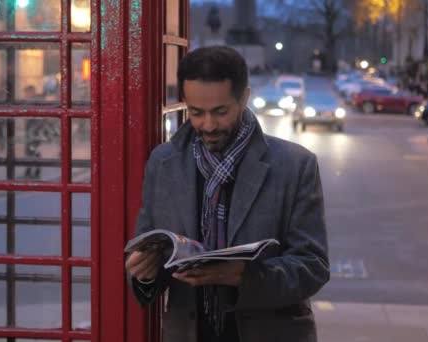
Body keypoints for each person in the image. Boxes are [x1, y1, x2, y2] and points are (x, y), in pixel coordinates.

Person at [125, 46, 329, 342]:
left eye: (220, 112)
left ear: (243, 99)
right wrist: (145, 273)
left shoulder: (295, 166)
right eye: (195, 112)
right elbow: (149, 253)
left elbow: (313, 267)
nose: (207, 125)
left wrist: (241, 277)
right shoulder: (163, 163)